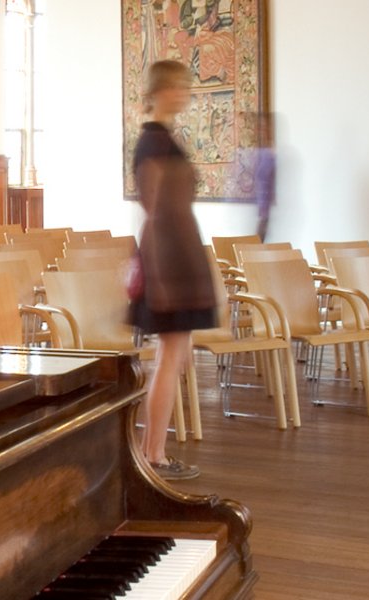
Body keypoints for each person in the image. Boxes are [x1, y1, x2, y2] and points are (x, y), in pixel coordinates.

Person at [131, 59, 217, 482]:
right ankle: (154, 454)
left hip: (177, 257)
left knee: (174, 356)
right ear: (161, 91)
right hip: (169, 261)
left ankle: (154, 451)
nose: (185, 94)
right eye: (179, 86)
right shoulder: (153, 143)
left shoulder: (162, 139)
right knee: (170, 357)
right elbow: (160, 210)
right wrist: (166, 275)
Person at [237, 112, 278, 240]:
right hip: (257, 214)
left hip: (271, 214)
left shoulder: (275, 155)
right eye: (259, 128)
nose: (261, 132)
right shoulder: (256, 154)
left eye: (265, 128)